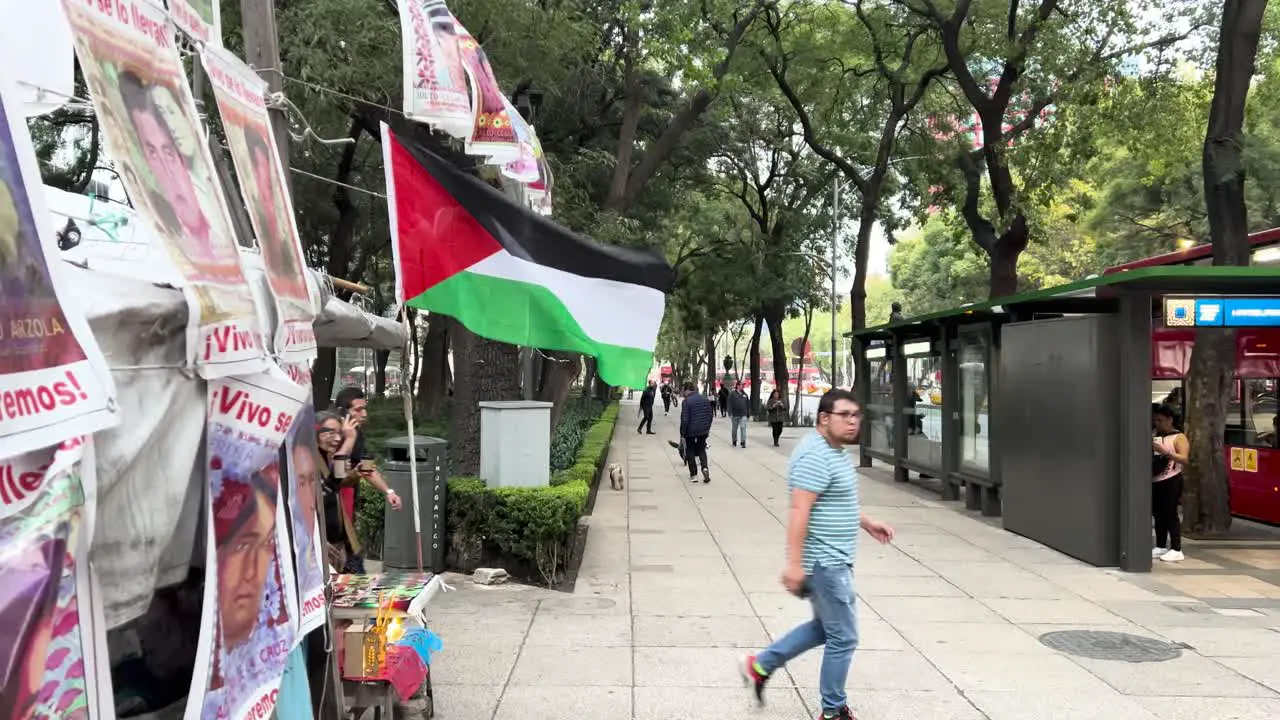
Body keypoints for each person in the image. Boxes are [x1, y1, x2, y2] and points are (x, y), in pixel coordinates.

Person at [742, 389, 895, 720]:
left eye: (857, 415)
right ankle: (833, 709)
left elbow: (835, 501)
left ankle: (760, 665)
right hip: (826, 562)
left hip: (832, 559)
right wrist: (794, 565)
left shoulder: (833, 450)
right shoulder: (815, 456)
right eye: (845, 415)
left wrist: (865, 522)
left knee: (826, 629)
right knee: (845, 636)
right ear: (824, 418)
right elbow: (800, 511)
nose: (853, 422)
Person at [117, 69, 220, 265]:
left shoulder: (223, 227)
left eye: (169, 152)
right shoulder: (151, 244)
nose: (167, 171)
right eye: (152, 153)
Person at [1152, 404, 1189, 563]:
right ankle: (1161, 545)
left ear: (1170, 420)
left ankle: (1176, 548)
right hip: (1156, 480)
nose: (1157, 424)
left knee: (1170, 515)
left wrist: (1166, 452)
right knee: (1158, 515)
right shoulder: (1156, 435)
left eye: (1160, 420)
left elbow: (1185, 459)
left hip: (1172, 479)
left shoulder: (1178, 437)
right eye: (1155, 421)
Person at [679, 382, 714, 483]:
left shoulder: (686, 402)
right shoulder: (704, 399)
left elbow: (685, 419)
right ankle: (705, 468)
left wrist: (683, 433)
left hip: (690, 431)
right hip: (703, 430)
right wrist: (707, 428)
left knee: (690, 451)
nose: (682, 393)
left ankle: (694, 475)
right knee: (701, 449)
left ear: (687, 390)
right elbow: (710, 415)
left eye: (683, 390)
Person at [729, 381, 751, 447]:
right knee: (734, 429)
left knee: (743, 427)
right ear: (738, 386)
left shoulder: (745, 394)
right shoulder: (732, 394)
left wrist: (748, 414)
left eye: (743, 385)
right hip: (735, 414)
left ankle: (743, 442)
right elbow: (729, 404)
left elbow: (747, 404)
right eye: (741, 385)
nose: (742, 386)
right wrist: (730, 413)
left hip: (743, 414)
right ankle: (734, 440)